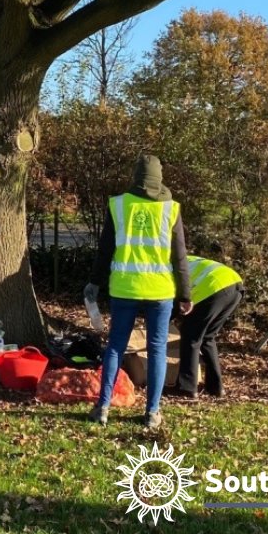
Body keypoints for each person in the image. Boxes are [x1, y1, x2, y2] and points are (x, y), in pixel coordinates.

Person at [85, 155, 192, 429]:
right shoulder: (171, 209)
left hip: (124, 288)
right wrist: (185, 294)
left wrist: (95, 282)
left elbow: (105, 249)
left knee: (115, 347)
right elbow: (179, 256)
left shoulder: (119, 205)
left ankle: (103, 406)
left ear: (136, 176)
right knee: (157, 349)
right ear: (160, 176)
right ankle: (153, 412)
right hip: (160, 290)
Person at [171, 254, 244, 399]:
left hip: (212, 289)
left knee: (191, 337)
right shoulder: (186, 258)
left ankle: (187, 388)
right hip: (235, 284)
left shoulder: (166, 267)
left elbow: (171, 298)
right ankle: (215, 387)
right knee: (207, 337)